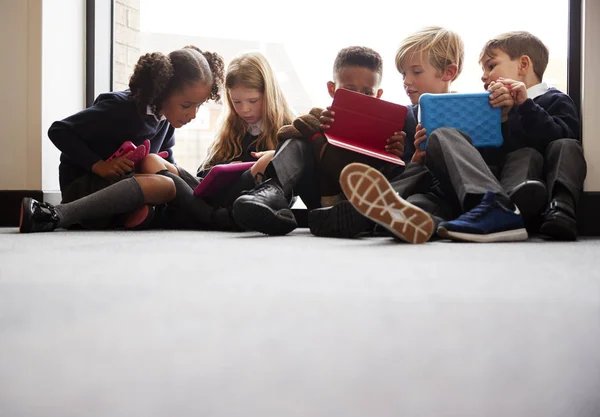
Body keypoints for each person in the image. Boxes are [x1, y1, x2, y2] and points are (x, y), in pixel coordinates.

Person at [340, 26, 530, 243]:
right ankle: (416, 223)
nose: (406, 81)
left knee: (442, 135)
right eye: (403, 73)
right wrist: (415, 160)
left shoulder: (480, 106)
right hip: (436, 195)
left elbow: (502, 156)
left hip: (474, 192)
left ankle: (497, 207)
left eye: (416, 72)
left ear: (448, 72)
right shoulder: (405, 117)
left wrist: (504, 115)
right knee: (416, 205)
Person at [19, 45, 225, 233]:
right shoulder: (120, 108)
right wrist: (98, 165)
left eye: (199, 105)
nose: (193, 115)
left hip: (122, 185)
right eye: (186, 105)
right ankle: (55, 214)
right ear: (162, 91)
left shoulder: (166, 120)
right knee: (165, 186)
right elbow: (59, 131)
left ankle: (200, 207)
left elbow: (167, 165)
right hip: (84, 188)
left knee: (155, 165)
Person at [231, 46, 410, 236]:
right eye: (349, 90)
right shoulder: (320, 117)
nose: (358, 97)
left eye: (367, 93)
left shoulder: (385, 132)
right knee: (298, 140)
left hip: (355, 202)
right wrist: (317, 133)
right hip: (318, 194)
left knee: (387, 181)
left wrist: (392, 156)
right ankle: (271, 194)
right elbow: (284, 135)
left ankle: (336, 219)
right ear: (332, 89)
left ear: (378, 95)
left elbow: (388, 180)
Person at [135, 51, 295, 229]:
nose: (245, 110)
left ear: (269, 95)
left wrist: (256, 169)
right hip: (214, 200)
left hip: (247, 200)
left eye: (253, 100)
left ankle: (197, 216)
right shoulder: (231, 129)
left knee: (271, 158)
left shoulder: (288, 129)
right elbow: (203, 178)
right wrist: (226, 169)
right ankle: (212, 218)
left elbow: (290, 190)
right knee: (152, 160)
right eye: (237, 102)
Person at [479, 31, 586, 240]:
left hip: (549, 187)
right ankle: (511, 206)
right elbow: (493, 157)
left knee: (567, 144)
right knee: (523, 154)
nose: (483, 76)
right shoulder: (493, 112)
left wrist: (525, 106)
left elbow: (560, 137)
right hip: (512, 183)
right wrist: (502, 119)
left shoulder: (557, 100)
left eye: (491, 66)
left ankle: (561, 207)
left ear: (523, 65)